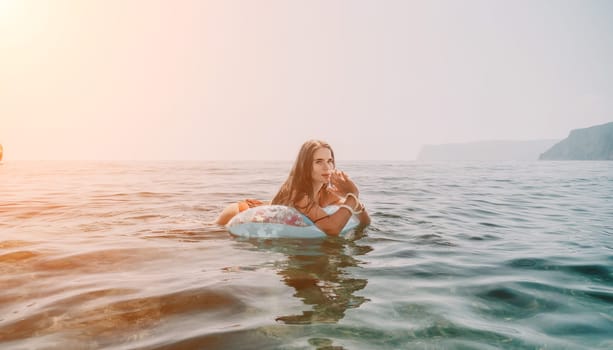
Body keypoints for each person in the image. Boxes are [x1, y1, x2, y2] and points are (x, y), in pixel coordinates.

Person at [215, 140, 370, 235]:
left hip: (262, 210)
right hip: (241, 211)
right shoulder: (299, 194)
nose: (327, 167)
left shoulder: (327, 193)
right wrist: (353, 194)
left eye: (330, 161)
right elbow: (332, 230)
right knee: (201, 231)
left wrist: (353, 199)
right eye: (319, 161)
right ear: (305, 166)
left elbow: (365, 222)